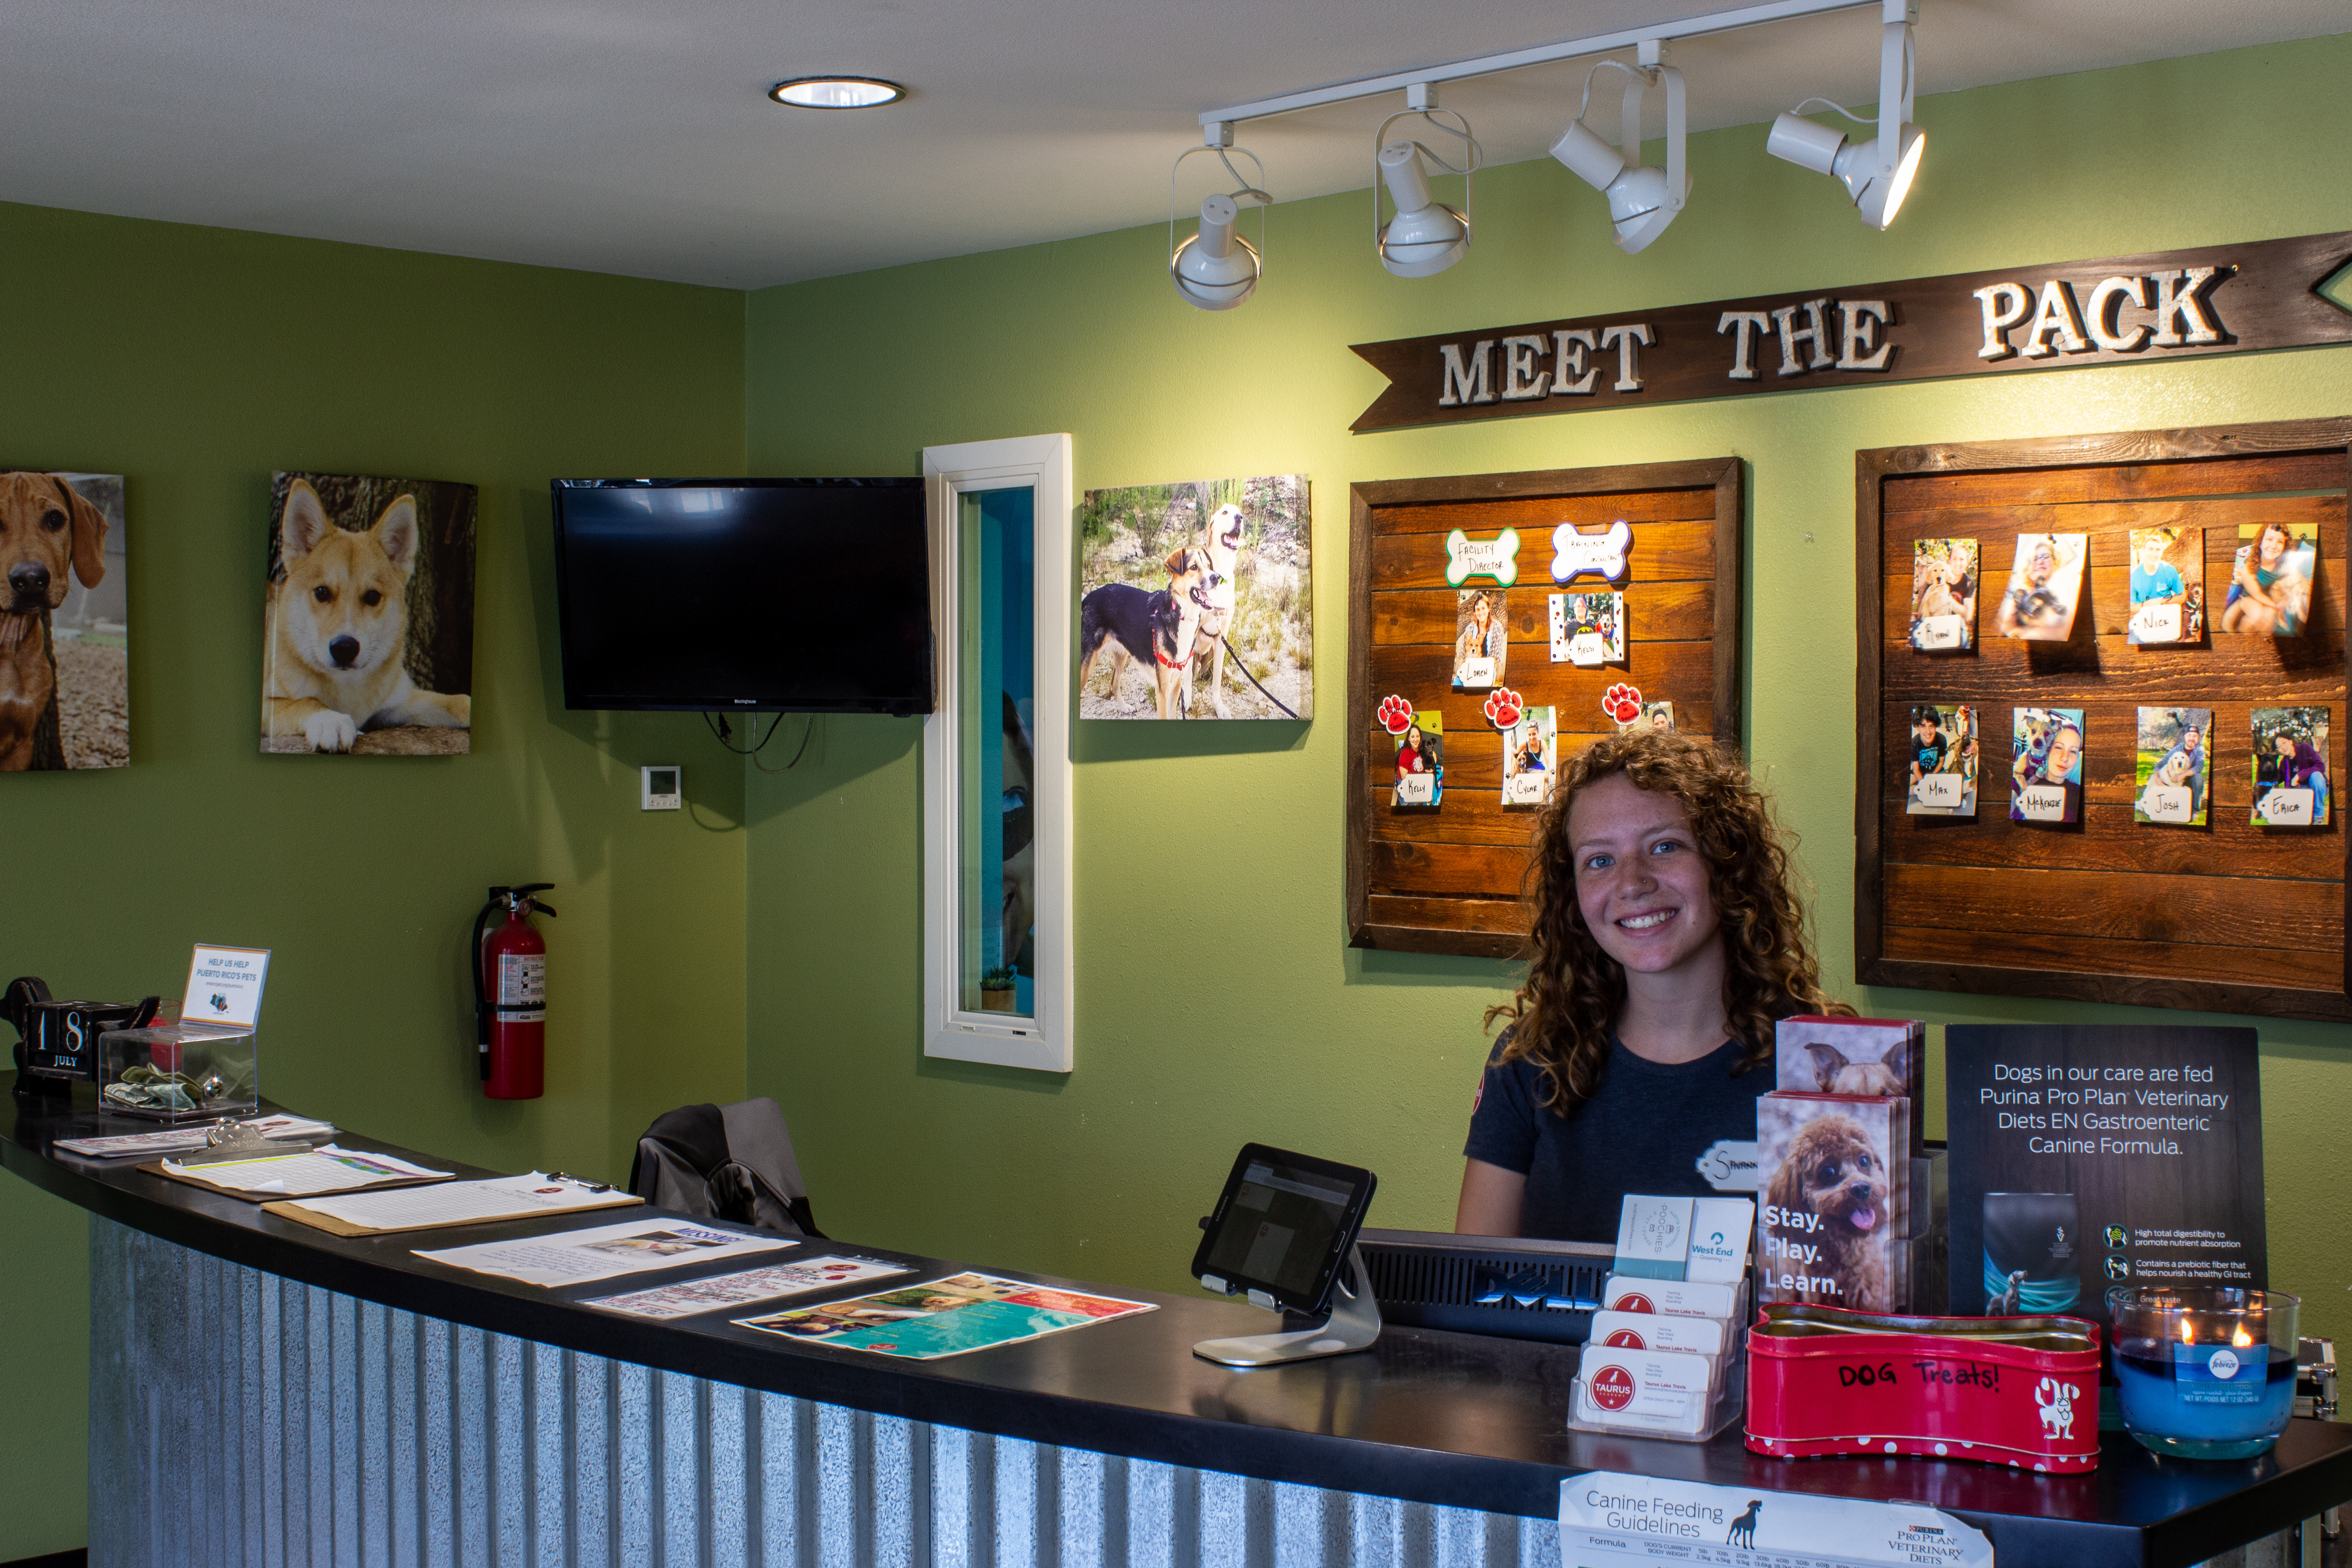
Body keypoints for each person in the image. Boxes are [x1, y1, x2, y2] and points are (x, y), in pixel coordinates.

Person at [1456, 729, 1852, 1241]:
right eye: (1600, 860)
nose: (1632, 882)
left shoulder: (1825, 1061)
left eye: (1665, 847)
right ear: (1572, 893)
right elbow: (1475, 1281)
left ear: (1725, 863)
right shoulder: (1532, 1059)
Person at [2223, 523, 2310, 635]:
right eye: (2270, 539)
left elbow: (2299, 579)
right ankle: (2243, 639)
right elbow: (2257, 594)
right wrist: (2277, 606)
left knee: (2267, 622)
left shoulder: (2284, 566)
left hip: (2271, 601)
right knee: (2257, 614)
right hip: (2248, 599)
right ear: (2260, 543)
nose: (2274, 546)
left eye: (2280, 542)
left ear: (2284, 547)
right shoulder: (2248, 568)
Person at [1455, 591, 1504, 682]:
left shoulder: (1497, 628)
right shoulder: (1470, 628)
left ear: (1489, 609)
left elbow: (1494, 657)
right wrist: (1463, 673)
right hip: (1469, 669)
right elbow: (1463, 654)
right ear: (1475, 612)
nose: (1481, 612)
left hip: (1486, 670)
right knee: (1457, 682)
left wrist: (1478, 671)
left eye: (1483, 608)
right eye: (1478, 610)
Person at [1909, 707, 1946, 789]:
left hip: (1936, 770)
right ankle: (1920, 790)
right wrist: (1924, 784)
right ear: (1918, 727)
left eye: (1931, 726)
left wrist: (1932, 778)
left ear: (1936, 726)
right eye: (1923, 727)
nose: (1928, 732)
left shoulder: (1942, 739)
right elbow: (1916, 769)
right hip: (1919, 771)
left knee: (1948, 784)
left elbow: (1941, 763)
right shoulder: (1913, 743)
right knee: (1905, 786)